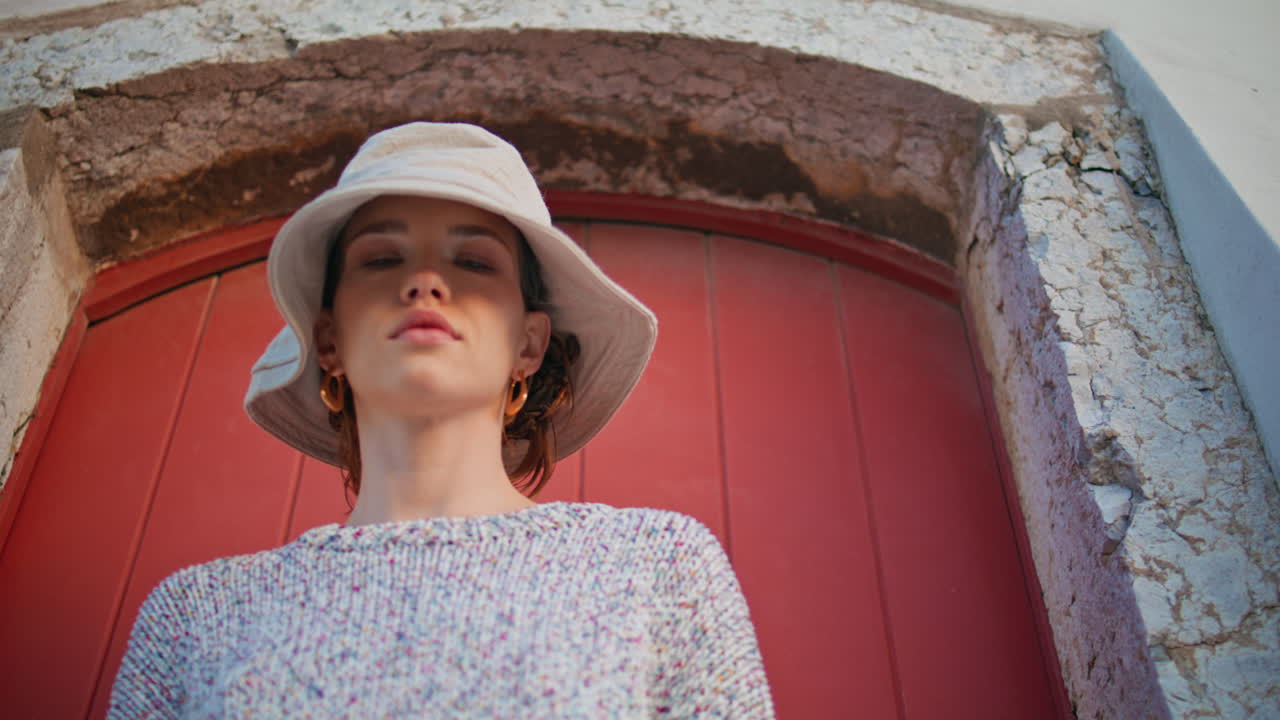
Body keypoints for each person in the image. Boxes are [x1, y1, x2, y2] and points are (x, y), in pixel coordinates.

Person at [108, 122, 776, 718]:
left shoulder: (655, 567)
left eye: (474, 261)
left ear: (530, 344)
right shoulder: (196, 617)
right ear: (330, 338)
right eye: (381, 258)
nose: (425, 281)